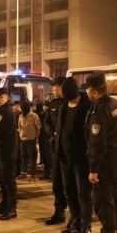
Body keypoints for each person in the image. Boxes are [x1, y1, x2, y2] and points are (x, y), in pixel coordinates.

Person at [84, 72, 117, 233]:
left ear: (94, 91)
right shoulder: (116, 104)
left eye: (87, 89)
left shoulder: (100, 109)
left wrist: (93, 169)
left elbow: (97, 142)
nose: (86, 92)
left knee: (103, 201)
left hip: (105, 162)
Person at [56, 77, 93, 233]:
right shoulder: (64, 106)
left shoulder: (87, 106)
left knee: (83, 193)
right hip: (64, 157)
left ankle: (86, 225)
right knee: (69, 191)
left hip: (81, 158)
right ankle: (75, 221)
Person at [0, 87, 19, 220]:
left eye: (1, 97)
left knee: (8, 181)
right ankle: (5, 204)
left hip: (6, 152)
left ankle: (12, 208)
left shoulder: (6, 112)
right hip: (0, 151)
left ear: (7, 97)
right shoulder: (0, 111)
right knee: (2, 180)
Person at [43, 77, 67, 225]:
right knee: (57, 182)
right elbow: (47, 122)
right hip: (56, 148)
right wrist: (53, 133)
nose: (53, 89)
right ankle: (59, 211)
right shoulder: (53, 104)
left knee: (71, 184)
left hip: (69, 148)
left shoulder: (71, 102)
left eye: (55, 86)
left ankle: (78, 216)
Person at [17, 101, 41, 182]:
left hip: (31, 140)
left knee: (32, 157)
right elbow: (19, 127)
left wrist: (36, 138)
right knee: (23, 156)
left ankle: (32, 174)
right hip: (22, 140)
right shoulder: (20, 116)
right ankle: (23, 173)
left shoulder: (34, 115)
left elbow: (39, 127)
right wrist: (20, 134)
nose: (21, 109)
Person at [37, 102, 52, 180]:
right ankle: (46, 173)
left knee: (49, 156)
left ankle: (50, 174)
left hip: (49, 138)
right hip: (42, 138)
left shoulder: (50, 114)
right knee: (45, 156)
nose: (44, 107)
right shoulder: (42, 114)